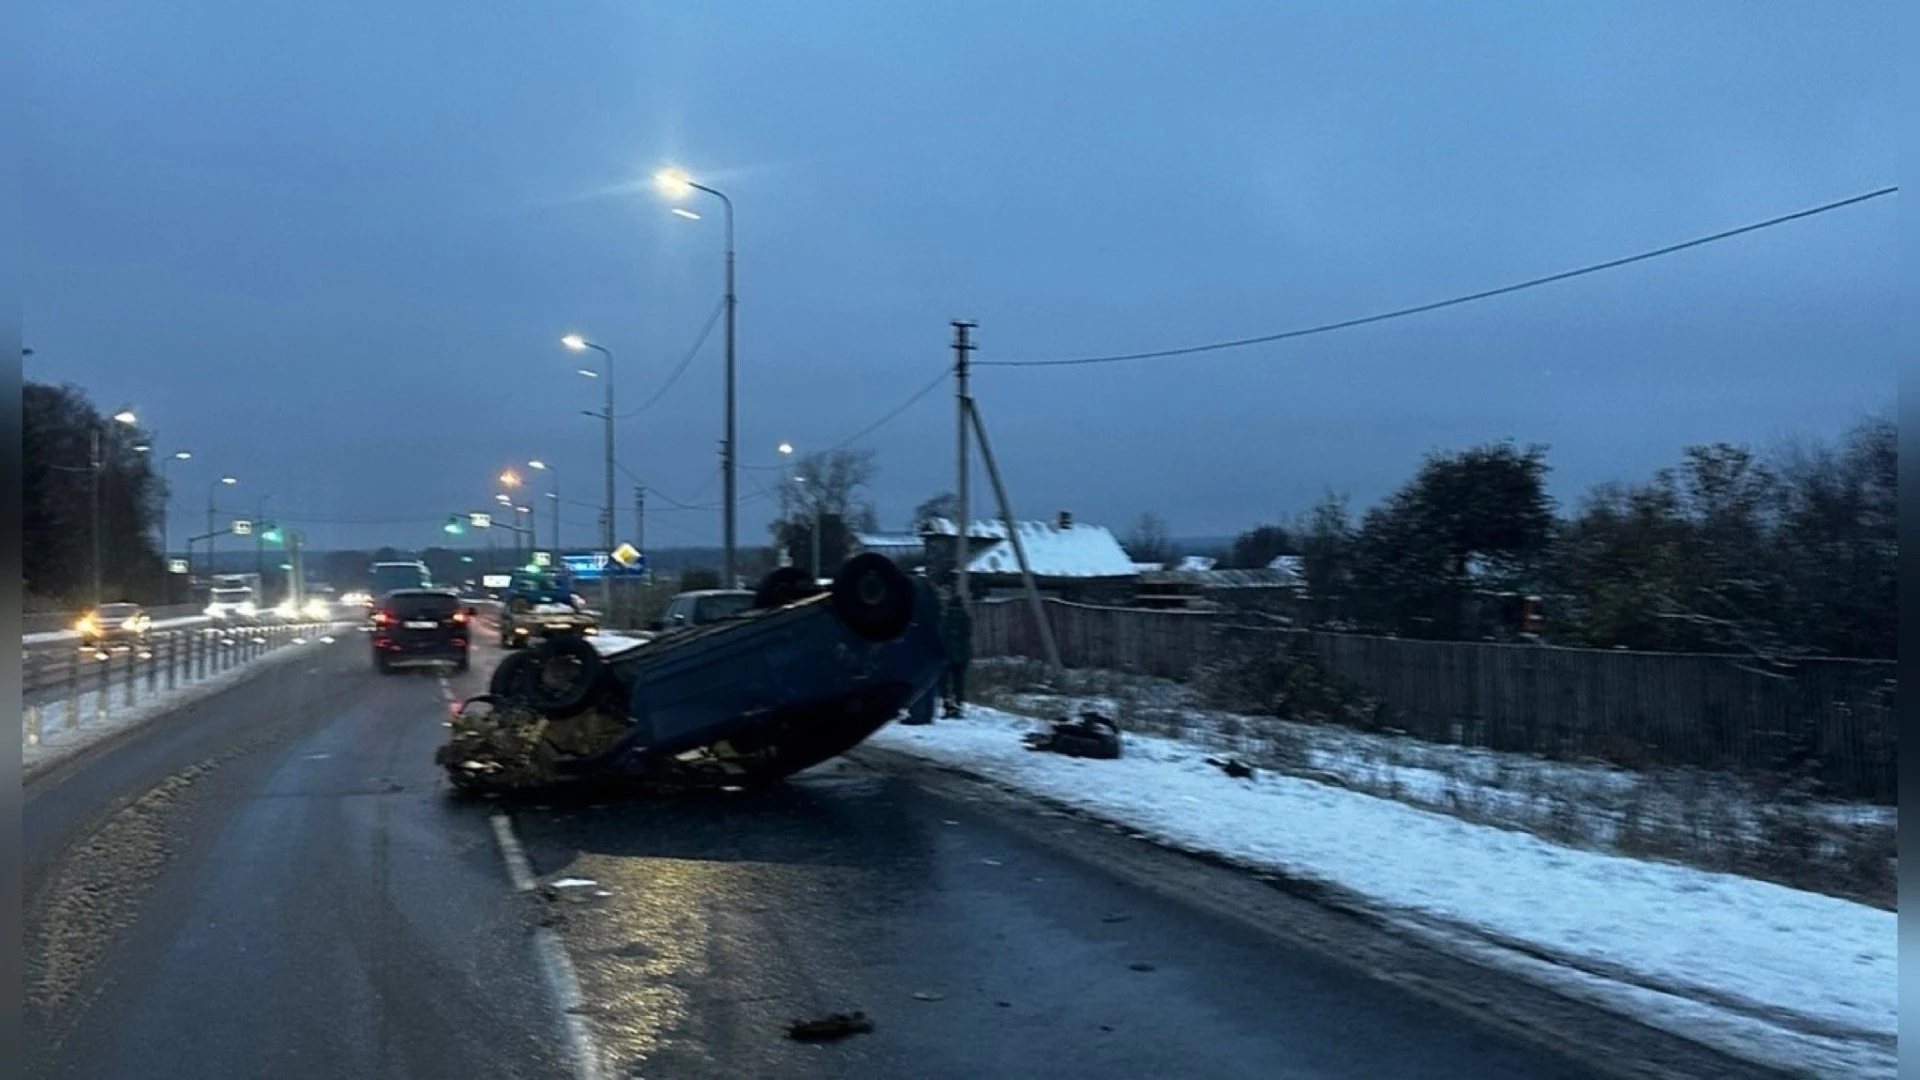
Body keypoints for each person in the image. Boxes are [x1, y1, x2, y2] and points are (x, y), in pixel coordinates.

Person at [938, 585, 973, 718]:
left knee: (945, 683)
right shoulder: (966, 619)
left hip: (948, 655)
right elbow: (967, 636)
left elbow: (943, 636)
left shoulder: (946, 619)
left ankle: (948, 706)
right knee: (959, 683)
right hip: (963, 655)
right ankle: (958, 706)